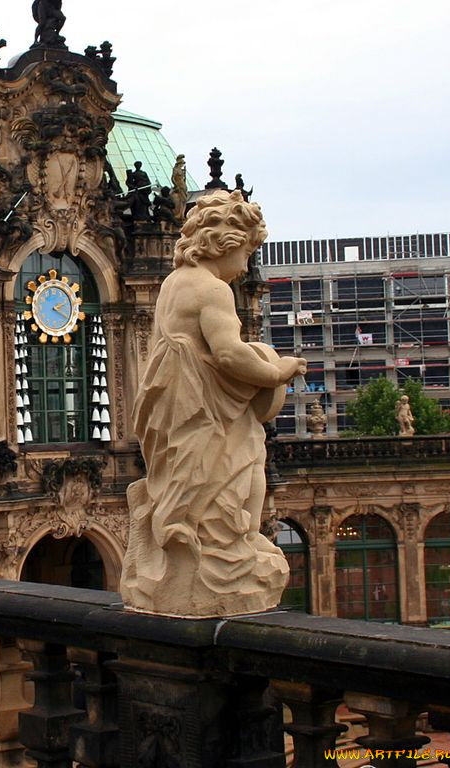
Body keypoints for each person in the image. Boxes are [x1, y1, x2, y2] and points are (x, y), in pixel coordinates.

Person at [121, 190, 306, 617]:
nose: (245, 266)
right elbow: (228, 354)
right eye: (246, 252)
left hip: (172, 400)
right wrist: (280, 371)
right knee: (241, 462)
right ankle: (230, 547)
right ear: (223, 244)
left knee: (182, 474)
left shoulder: (173, 283)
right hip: (202, 405)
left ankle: (189, 536)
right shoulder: (213, 290)